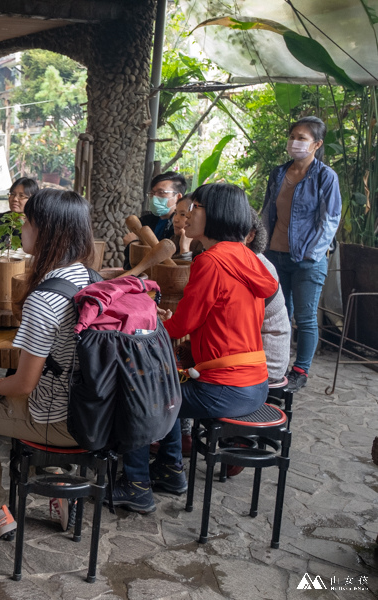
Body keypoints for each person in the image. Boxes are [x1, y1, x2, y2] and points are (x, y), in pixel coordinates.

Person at [112, 183, 278, 514]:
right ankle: (170, 470)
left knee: (138, 393)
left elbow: (183, 324)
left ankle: (136, 486)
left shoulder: (211, 261)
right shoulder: (246, 257)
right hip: (255, 383)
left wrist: (147, 321)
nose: (187, 214)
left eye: (197, 207)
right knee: (166, 382)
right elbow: (212, 317)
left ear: (217, 215)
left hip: (226, 388)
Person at [0, 189, 95, 539]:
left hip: (60, 422)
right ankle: (59, 485)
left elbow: (23, 384)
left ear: (47, 232)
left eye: (28, 223)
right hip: (96, 413)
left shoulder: (45, 299)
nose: (23, 231)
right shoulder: (91, 278)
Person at [262, 116, 341, 392]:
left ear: (316, 144)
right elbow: (267, 213)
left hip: (307, 261)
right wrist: (262, 248)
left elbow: (330, 219)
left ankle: (300, 371)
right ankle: (278, 365)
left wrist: (311, 254)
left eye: (302, 138)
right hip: (275, 256)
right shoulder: (278, 172)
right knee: (279, 314)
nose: (295, 142)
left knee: (305, 318)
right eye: (293, 135)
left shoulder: (325, 176)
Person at [247, 208, 291, 385]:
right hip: (253, 357)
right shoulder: (248, 260)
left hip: (266, 365)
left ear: (250, 236)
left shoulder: (257, 267)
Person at [122, 171, 187, 269]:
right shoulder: (144, 222)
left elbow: (166, 260)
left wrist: (133, 244)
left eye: (161, 193)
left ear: (178, 197)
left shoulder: (180, 227)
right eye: (152, 193)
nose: (154, 197)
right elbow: (130, 264)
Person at [0, 177, 38, 252]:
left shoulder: (38, 223)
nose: (15, 199)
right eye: (12, 194)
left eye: (21, 196)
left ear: (33, 199)